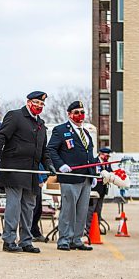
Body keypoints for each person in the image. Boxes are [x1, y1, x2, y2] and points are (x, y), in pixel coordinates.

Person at [0, 91, 56, 253]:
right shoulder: (15, 116)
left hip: (32, 172)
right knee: (14, 206)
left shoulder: (41, 124)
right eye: (36, 102)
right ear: (28, 102)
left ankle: (26, 241)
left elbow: (43, 150)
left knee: (28, 207)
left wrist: (49, 164)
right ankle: (9, 240)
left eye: (42, 104)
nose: (39, 106)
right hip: (14, 170)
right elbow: (0, 138)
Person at [48, 101, 96, 251]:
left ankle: (76, 239)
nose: (80, 115)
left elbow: (90, 155)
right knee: (68, 210)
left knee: (82, 211)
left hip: (85, 178)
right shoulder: (60, 130)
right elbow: (51, 150)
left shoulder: (86, 133)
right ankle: (64, 240)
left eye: (82, 112)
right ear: (69, 114)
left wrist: (93, 174)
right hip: (70, 177)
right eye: (76, 112)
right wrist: (60, 165)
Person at [86, 147, 113, 235]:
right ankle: (89, 228)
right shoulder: (94, 161)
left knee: (98, 210)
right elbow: (92, 173)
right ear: (101, 154)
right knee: (91, 209)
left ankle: (96, 227)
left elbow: (110, 172)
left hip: (103, 189)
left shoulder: (107, 163)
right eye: (106, 156)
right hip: (94, 189)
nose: (107, 158)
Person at [31, 164, 48, 242]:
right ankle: (29, 233)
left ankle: (35, 232)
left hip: (40, 178)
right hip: (34, 180)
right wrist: (40, 179)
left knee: (38, 210)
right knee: (32, 210)